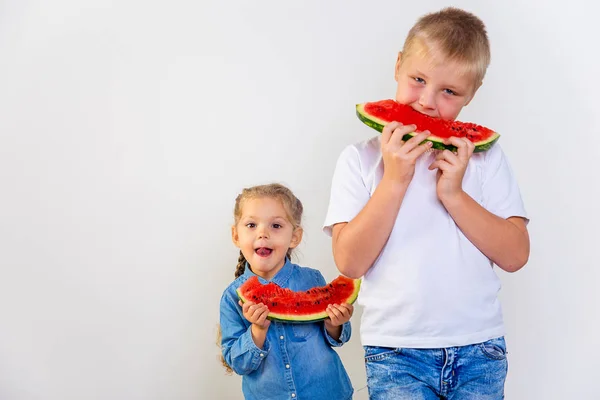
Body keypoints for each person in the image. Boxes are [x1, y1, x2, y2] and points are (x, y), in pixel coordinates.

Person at [323, 7, 530, 400]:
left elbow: (516, 254)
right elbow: (350, 262)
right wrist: (395, 179)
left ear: (472, 93)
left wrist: (454, 194)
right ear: (398, 65)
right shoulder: (360, 159)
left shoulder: (486, 160)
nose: (427, 103)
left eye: (449, 91)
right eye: (418, 80)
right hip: (396, 352)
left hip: (480, 349)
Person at [219, 183, 354, 400]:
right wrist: (257, 331)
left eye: (276, 226)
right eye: (252, 225)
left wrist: (335, 324)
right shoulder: (232, 297)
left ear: (295, 237)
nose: (263, 233)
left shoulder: (313, 280)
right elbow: (237, 363)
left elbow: (339, 338)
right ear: (236, 235)